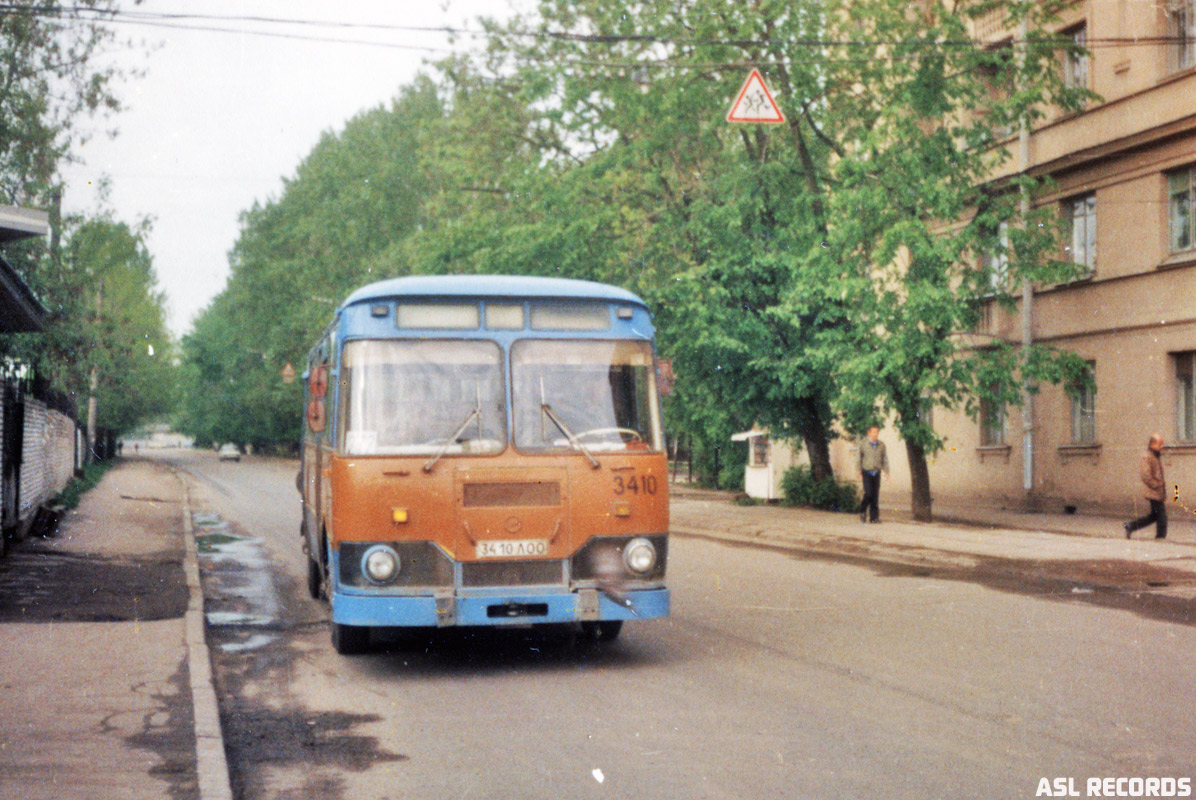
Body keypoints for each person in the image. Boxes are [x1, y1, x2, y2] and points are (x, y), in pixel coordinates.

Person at [1124, 432, 1167, 540]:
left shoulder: (1154, 456)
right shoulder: (1147, 456)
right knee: (1161, 515)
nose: (1162, 447)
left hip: (1157, 490)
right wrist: (1156, 485)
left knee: (1154, 515)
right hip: (1153, 491)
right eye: (1160, 444)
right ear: (1153, 444)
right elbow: (1145, 475)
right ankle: (1160, 536)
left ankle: (1131, 526)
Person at [858, 425, 890, 523]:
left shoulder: (881, 445)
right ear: (869, 433)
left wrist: (886, 471)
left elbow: (884, 459)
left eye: (876, 432)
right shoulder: (863, 444)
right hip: (867, 471)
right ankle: (862, 510)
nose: (875, 434)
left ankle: (874, 518)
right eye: (873, 432)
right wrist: (858, 471)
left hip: (876, 472)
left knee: (875, 495)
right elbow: (858, 458)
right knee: (868, 493)